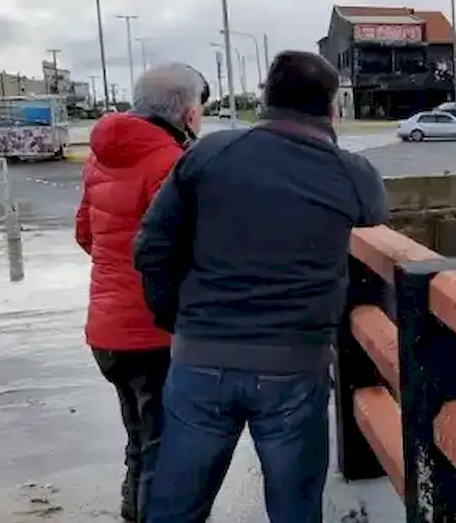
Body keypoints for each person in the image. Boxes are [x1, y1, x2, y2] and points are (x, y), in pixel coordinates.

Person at [137, 50, 388, 522]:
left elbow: (151, 247)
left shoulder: (210, 154)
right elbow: (375, 219)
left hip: (202, 357)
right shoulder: (354, 173)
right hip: (295, 363)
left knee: (175, 507)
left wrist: (179, 320)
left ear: (266, 99)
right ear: (332, 107)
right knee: (295, 509)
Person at [74, 63, 208, 523]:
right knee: (163, 446)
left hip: (106, 330)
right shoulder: (173, 163)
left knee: (139, 435)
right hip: (152, 330)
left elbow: (85, 234)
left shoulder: (101, 157)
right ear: (187, 113)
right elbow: (187, 249)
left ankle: (134, 509)